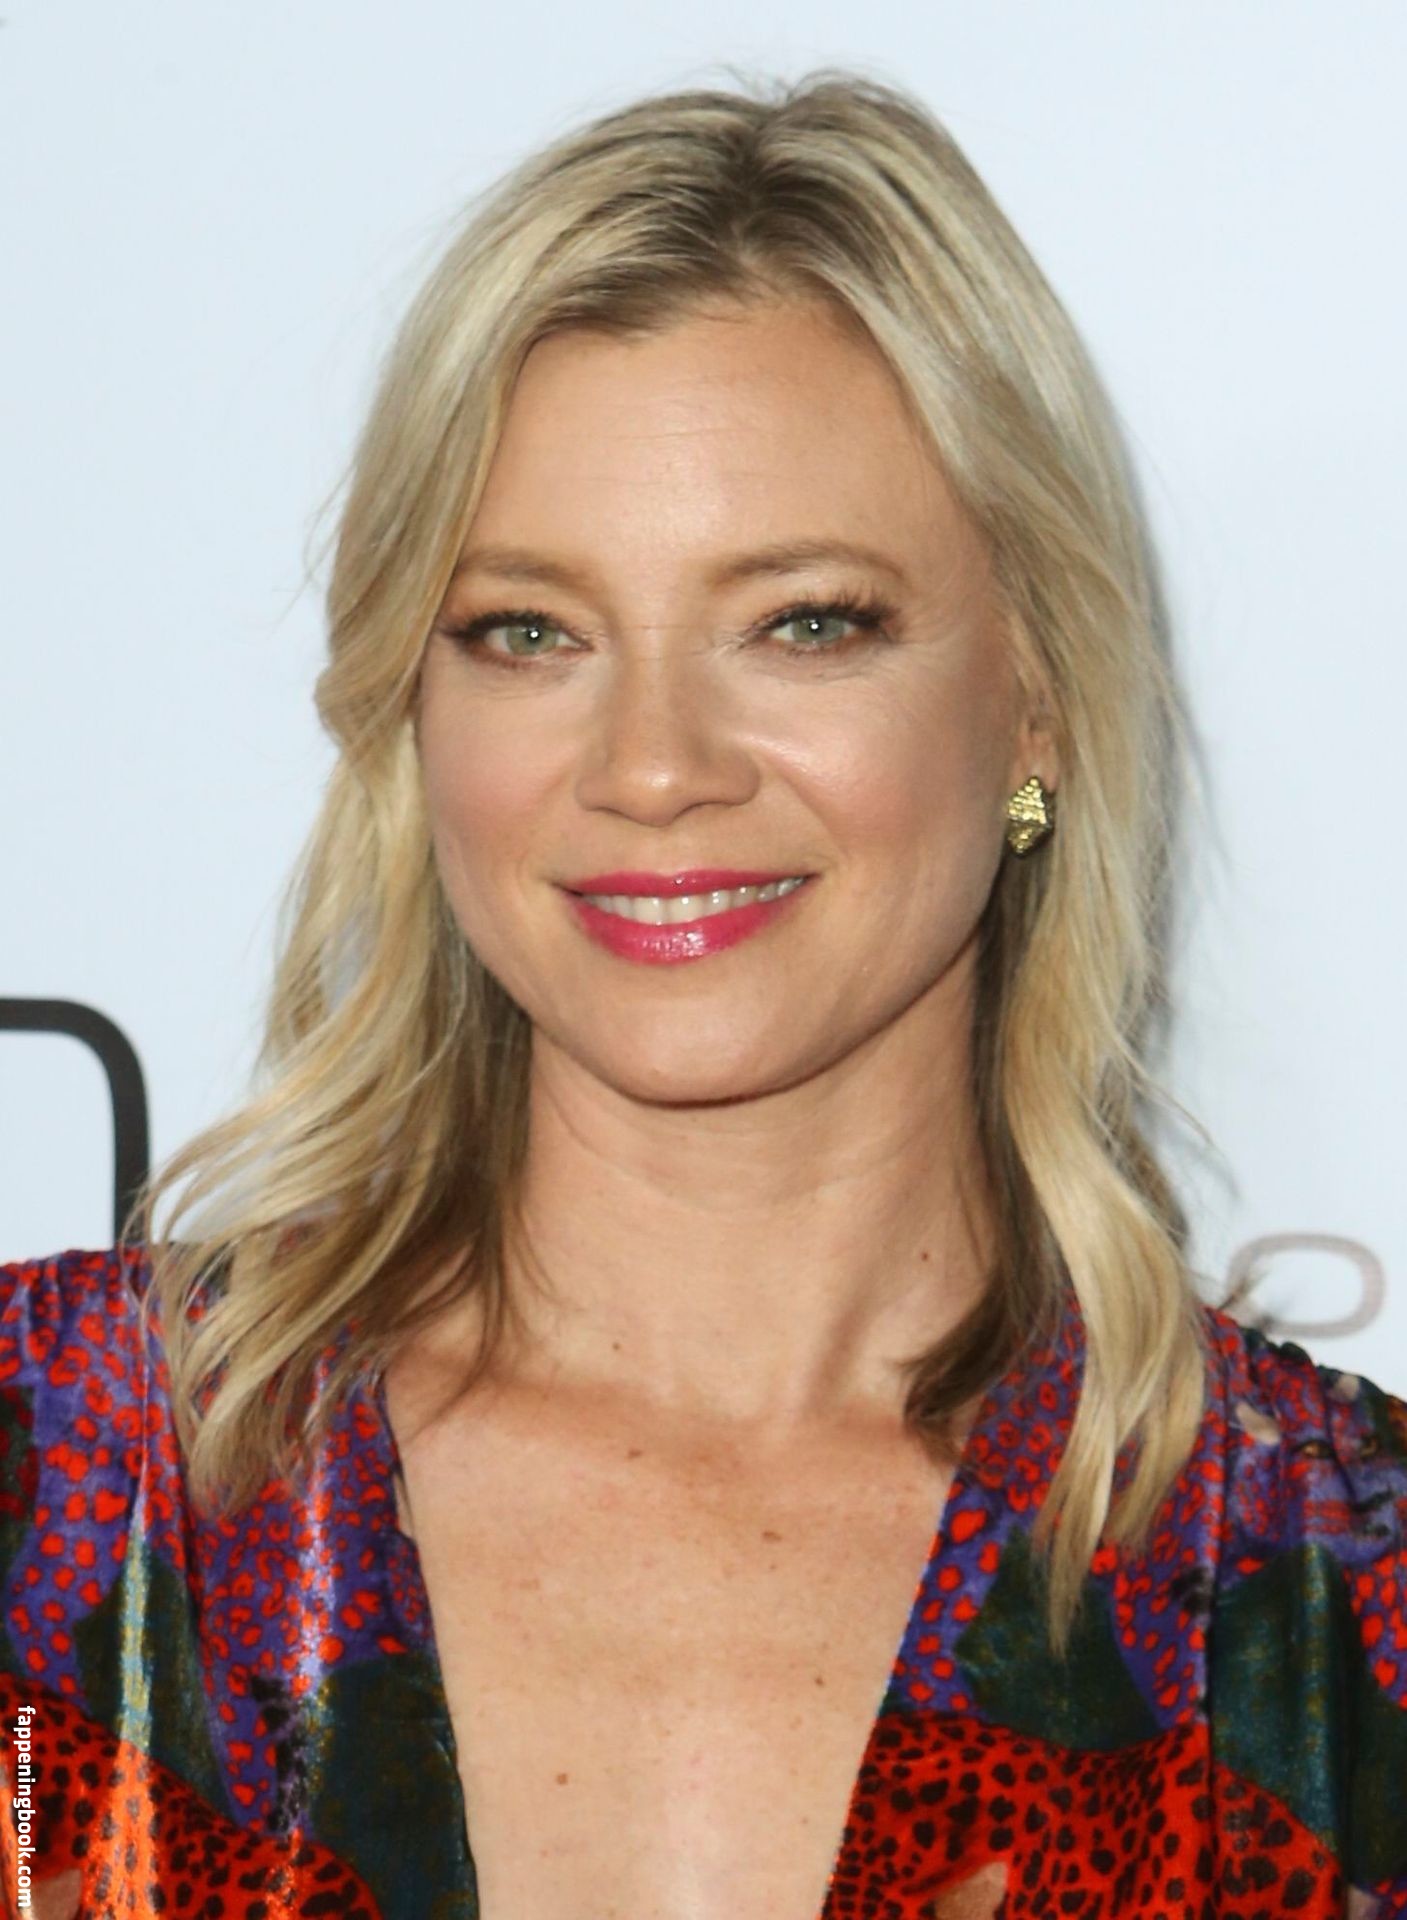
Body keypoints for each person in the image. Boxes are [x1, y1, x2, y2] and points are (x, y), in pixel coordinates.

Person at [1, 66, 1404, 1920]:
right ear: (417, 713)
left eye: (804, 622)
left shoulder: (1337, 1594)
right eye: (529, 632)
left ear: (1038, 701)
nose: (653, 766)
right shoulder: (53, 1486)